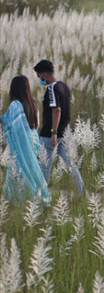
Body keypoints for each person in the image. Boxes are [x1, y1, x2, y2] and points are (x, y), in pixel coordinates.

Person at [33, 60, 85, 197]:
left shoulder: (52, 88)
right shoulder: (64, 86)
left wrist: (53, 133)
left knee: (44, 166)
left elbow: (57, 110)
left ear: (44, 74)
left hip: (51, 134)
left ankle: (42, 198)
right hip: (65, 132)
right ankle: (81, 194)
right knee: (70, 165)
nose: (40, 80)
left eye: (39, 77)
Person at [0, 76, 51, 207]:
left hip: (22, 143)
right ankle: (36, 199)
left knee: (18, 171)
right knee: (31, 169)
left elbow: (9, 123)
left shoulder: (15, 105)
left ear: (14, 89)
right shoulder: (34, 104)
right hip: (33, 142)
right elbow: (36, 125)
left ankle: (21, 203)